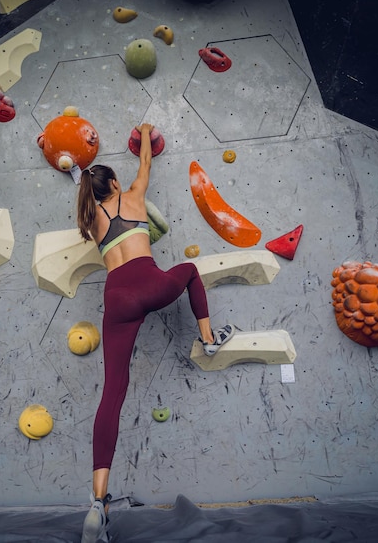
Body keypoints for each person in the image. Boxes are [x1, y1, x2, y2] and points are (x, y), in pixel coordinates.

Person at [76, 123, 235, 543]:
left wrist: (77, 175)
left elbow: (82, 187)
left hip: (118, 299)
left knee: (112, 394)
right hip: (153, 283)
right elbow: (145, 161)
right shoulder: (133, 197)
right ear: (113, 182)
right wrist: (145, 132)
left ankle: (97, 501)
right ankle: (208, 338)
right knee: (189, 271)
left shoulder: (89, 218)